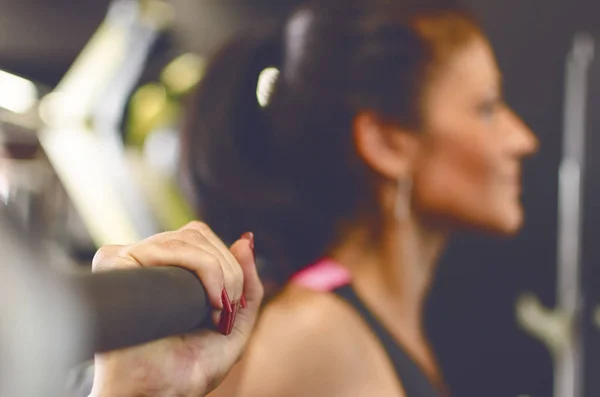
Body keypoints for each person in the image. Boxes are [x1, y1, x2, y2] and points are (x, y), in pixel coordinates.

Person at [93, 0, 540, 396]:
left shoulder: (373, 324)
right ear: (386, 142)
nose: (522, 139)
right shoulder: (318, 335)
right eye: (486, 108)